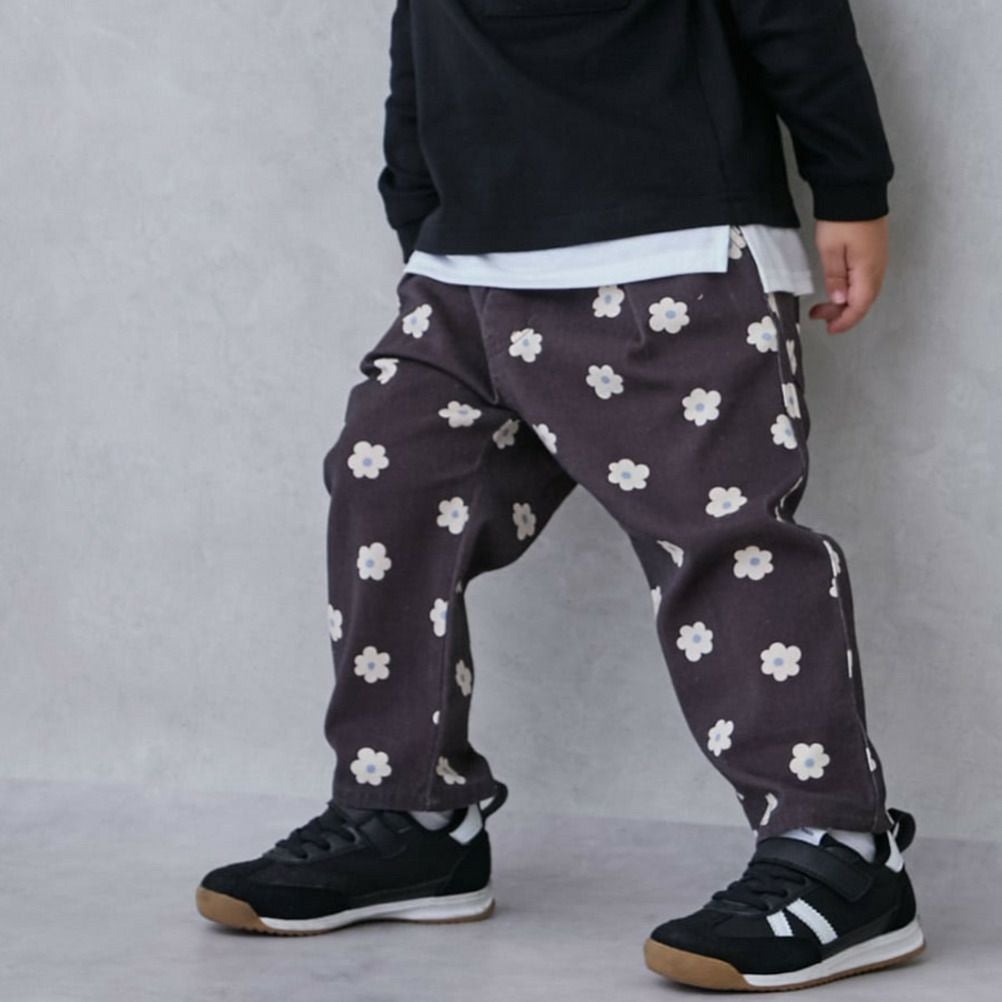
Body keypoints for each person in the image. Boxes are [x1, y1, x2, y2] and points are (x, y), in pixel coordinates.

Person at [196, 0, 925, 991]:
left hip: (673, 251)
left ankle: (839, 846)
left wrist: (850, 184)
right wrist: (420, 208)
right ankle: (409, 812)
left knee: (724, 545)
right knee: (386, 483)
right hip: (469, 271)